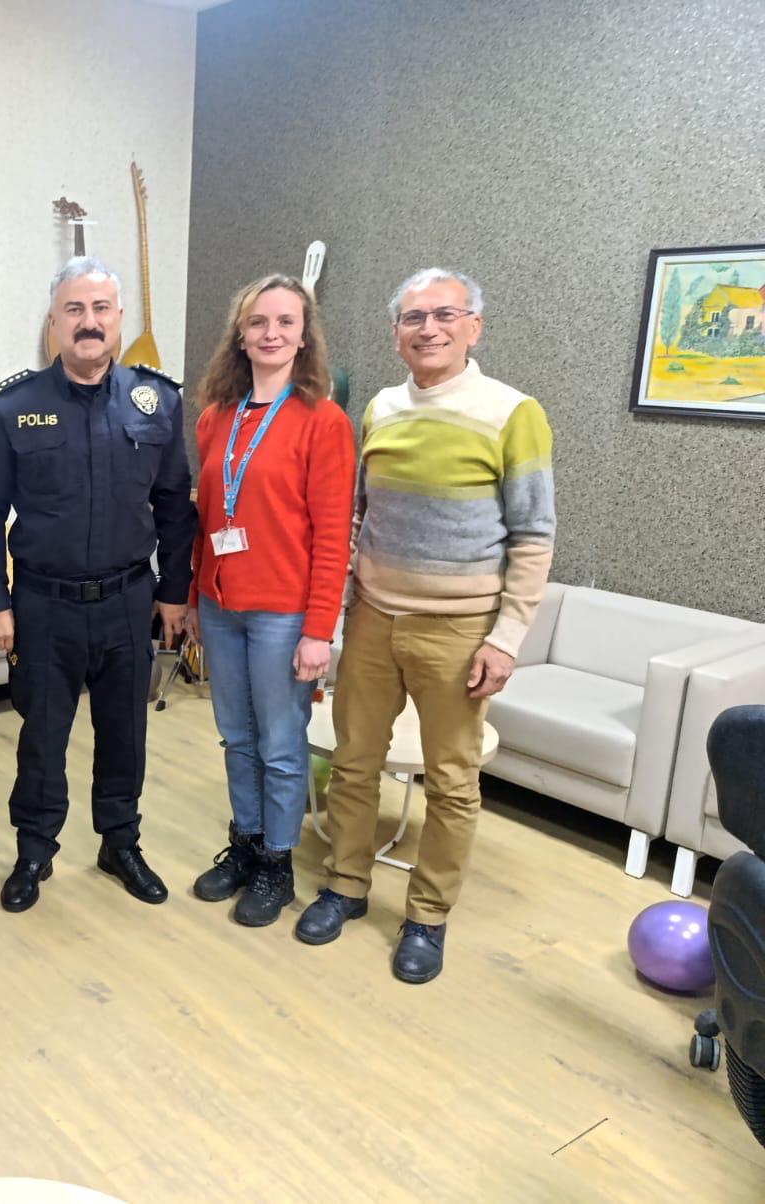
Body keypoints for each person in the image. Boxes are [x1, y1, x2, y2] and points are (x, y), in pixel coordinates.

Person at [294, 267, 555, 984]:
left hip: (460, 632)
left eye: (445, 315)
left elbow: (534, 535)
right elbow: (358, 515)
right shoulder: (380, 408)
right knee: (353, 764)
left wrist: (506, 639)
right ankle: (346, 885)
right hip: (373, 619)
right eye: (414, 318)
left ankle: (427, 916)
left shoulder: (513, 412)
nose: (429, 329)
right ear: (396, 334)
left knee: (451, 782)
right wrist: (338, 603)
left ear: (474, 326)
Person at [0, 256, 196, 913]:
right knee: (42, 738)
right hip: (44, 605)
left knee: (125, 732)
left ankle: (120, 842)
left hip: (128, 599)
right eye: (74, 309)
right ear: (54, 321)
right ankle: (34, 850)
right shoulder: (15, 407)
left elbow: (175, 506)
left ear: (118, 319)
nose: (88, 322)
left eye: (100, 310)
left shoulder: (157, 400)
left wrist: (174, 592)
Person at [186, 275, 355, 926]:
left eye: (286, 322)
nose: (271, 333)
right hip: (221, 606)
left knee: (281, 745)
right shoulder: (215, 418)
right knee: (237, 737)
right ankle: (247, 844)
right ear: (240, 334)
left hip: (284, 614)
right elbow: (208, 517)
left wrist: (319, 629)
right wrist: (196, 596)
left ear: (304, 336)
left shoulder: (324, 421)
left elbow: (333, 534)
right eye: (258, 322)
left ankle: (277, 866)